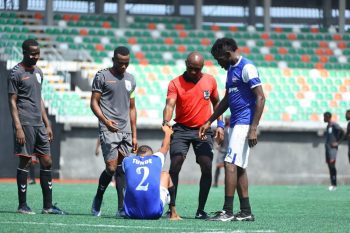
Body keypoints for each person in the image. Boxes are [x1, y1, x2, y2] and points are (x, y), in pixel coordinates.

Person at [199, 38, 265, 221]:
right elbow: (227, 100)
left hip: (245, 123)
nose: (218, 64)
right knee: (240, 167)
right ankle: (246, 212)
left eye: (219, 59)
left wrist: (253, 128)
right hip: (235, 123)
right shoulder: (230, 70)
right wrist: (210, 120)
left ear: (227, 55)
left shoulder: (247, 68)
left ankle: (227, 211)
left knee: (230, 163)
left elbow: (260, 98)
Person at [162, 51, 224, 219]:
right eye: (191, 69)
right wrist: (166, 121)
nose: (194, 72)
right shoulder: (175, 83)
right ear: (185, 64)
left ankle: (200, 210)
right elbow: (170, 104)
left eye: (197, 69)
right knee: (175, 164)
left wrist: (220, 125)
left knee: (206, 165)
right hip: (181, 129)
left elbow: (218, 103)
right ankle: (171, 208)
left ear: (202, 67)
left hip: (203, 130)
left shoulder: (210, 81)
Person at [8, 39, 66, 215]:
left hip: (39, 123)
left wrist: (47, 123)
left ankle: (47, 207)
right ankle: (22, 205)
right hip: (24, 122)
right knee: (25, 161)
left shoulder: (39, 72)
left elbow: (39, 98)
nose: (35, 57)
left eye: (37, 53)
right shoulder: (15, 73)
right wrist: (18, 127)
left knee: (47, 161)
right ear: (24, 52)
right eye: (32, 53)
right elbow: (12, 100)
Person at [90, 46, 137, 217]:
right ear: (113, 60)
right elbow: (93, 103)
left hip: (126, 131)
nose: (124, 66)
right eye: (120, 63)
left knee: (122, 168)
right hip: (108, 128)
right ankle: (98, 197)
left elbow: (132, 108)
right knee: (111, 168)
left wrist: (135, 134)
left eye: (127, 63)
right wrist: (105, 121)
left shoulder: (131, 79)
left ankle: (121, 208)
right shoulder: (102, 76)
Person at [122, 125, 181, 220]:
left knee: (128, 178)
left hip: (130, 213)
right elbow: (164, 147)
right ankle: (173, 213)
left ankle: (123, 209)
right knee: (165, 175)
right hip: (154, 213)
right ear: (152, 155)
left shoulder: (127, 161)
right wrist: (168, 132)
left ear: (137, 155)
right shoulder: (156, 159)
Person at [323, 112, 345, 191]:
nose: (323, 119)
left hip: (332, 149)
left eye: (324, 117)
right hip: (328, 148)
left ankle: (334, 184)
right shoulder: (328, 125)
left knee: (332, 166)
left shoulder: (334, 125)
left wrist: (338, 142)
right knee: (329, 166)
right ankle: (332, 184)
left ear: (328, 117)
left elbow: (343, 132)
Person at [213, 115, 230, 187]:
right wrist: (217, 145)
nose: (226, 120)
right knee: (218, 167)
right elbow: (217, 138)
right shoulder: (222, 129)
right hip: (222, 151)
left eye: (227, 119)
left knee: (228, 168)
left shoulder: (232, 129)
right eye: (225, 119)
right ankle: (215, 182)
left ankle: (228, 183)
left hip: (229, 151)